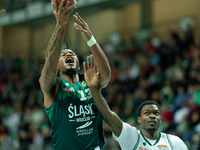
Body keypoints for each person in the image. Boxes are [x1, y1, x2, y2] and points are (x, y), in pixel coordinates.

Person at [39, 0, 111, 149]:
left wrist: (90, 39)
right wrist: (60, 25)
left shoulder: (89, 81)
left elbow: (106, 75)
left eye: (72, 54)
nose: (68, 55)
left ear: (79, 63)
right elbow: (49, 65)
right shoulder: (53, 87)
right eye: (63, 55)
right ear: (57, 67)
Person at [83, 57, 188, 150]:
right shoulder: (131, 137)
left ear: (160, 119)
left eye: (156, 113)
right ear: (139, 119)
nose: (152, 116)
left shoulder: (174, 142)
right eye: (147, 113)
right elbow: (109, 117)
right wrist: (93, 88)